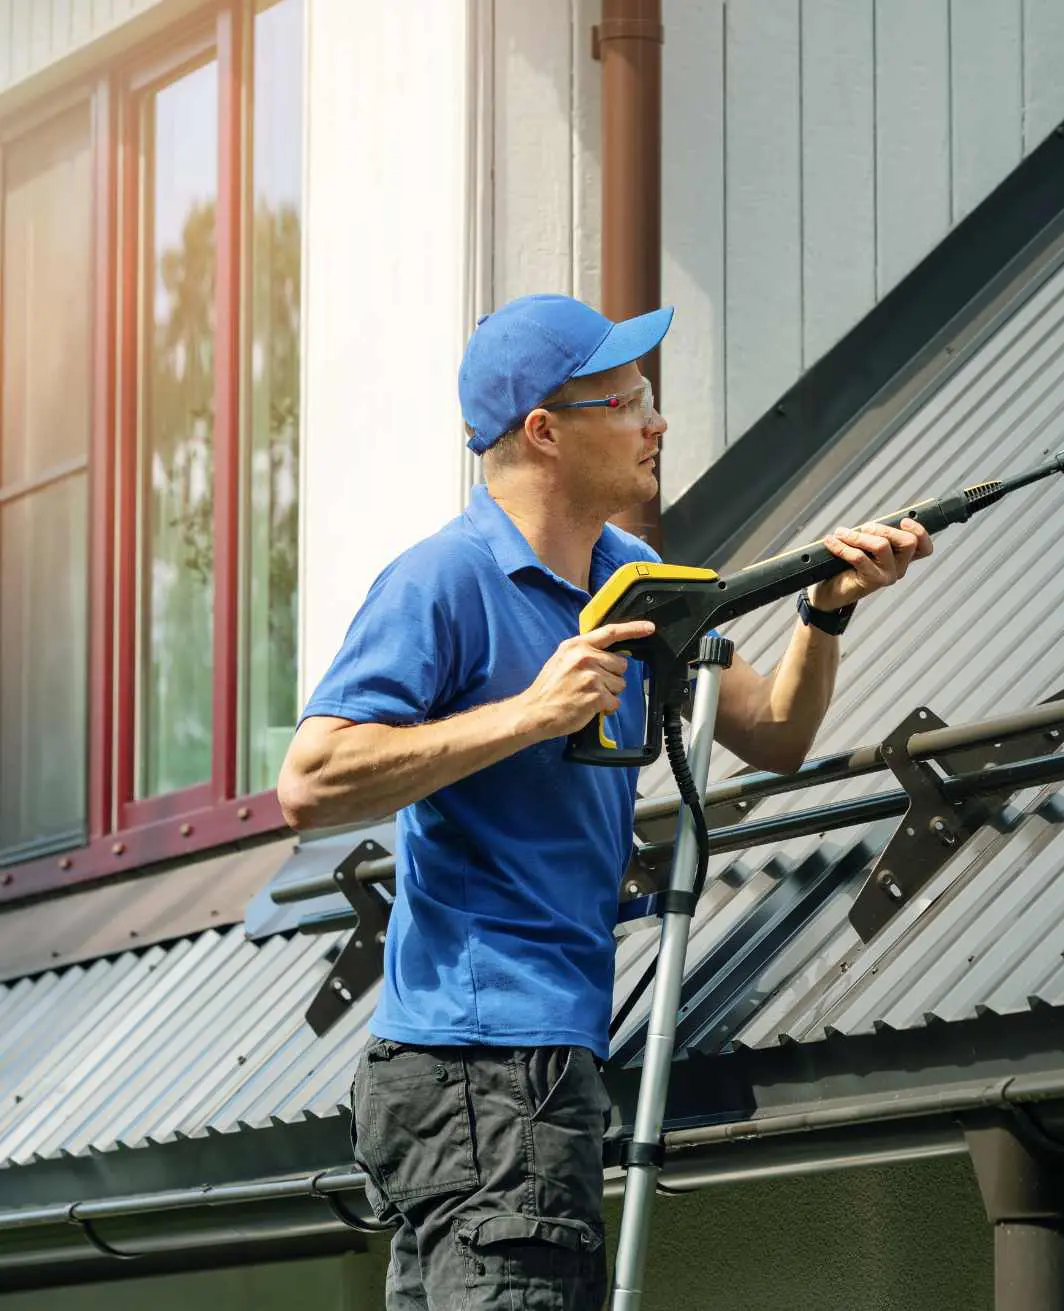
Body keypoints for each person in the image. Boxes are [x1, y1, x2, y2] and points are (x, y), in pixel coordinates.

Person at [276, 293, 933, 1309]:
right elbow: (311, 781)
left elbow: (775, 733)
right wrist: (530, 714)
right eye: (627, 402)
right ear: (545, 430)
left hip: (524, 1066)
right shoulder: (442, 581)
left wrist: (825, 613)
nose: (656, 422)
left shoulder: (637, 579)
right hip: (482, 1066)